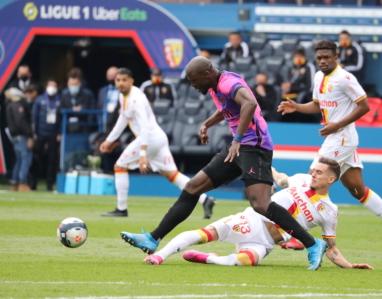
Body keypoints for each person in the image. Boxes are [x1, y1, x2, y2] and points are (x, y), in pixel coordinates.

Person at [120, 56, 327, 271]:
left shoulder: (228, 82)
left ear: (206, 75)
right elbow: (228, 107)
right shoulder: (214, 86)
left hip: (254, 146)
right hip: (238, 147)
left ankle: (313, 244)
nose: (193, 85)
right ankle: (153, 238)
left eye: (194, 80)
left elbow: (249, 103)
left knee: (261, 204)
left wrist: (237, 140)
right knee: (192, 187)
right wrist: (207, 123)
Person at [278, 40, 382, 253]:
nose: (322, 61)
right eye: (319, 58)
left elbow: (365, 106)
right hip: (337, 138)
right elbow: (317, 105)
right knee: (357, 189)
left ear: (336, 58)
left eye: (327, 57)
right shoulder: (318, 77)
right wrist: (297, 107)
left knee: (312, 181)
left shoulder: (345, 78)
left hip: (341, 138)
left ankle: (299, 235)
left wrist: (337, 125)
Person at [144, 158, 373, 270]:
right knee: (204, 233)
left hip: (267, 242)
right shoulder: (300, 178)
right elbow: (280, 179)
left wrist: (350, 265)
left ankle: (206, 258)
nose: (313, 174)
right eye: (313, 170)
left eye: (319, 173)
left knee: (243, 262)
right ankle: (159, 256)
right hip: (253, 220)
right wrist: (265, 166)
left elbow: (331, 247)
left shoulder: (330, 212)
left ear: (331, 179)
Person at [99, 67, 216, 218]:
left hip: (149, 139)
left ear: (131, 81)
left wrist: (142, 154)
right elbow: (123, 119)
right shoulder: (124, 97)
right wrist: (109, 140)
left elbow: (145, 127)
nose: (120, 83)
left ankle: (121, 209)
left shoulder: (137, 99)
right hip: (157, 139)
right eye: (118, 80)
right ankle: (206, 199)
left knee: (119, 166)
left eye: (124, 80)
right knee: (173, 175)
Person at [30, 79, 61, 191]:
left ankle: (49, 184)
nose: (52, 88)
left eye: (54, 85)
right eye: (50, 85)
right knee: (37, 159)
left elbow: (62, 117)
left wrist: (60, 132)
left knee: (52, 161)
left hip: (53, 134)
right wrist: (34, 133)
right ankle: (33, 183)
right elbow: (34, 117)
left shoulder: (60, 99)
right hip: (40, 134)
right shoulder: (39, 99)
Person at [5, 87, 34, 192]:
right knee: (26, 159)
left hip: (14, 136)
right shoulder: (18, 105)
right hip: (21, 136)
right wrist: (30, 135)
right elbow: (21, 121)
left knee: (19, 160)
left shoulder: (9, 104)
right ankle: (22, 183)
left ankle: (14, 182)